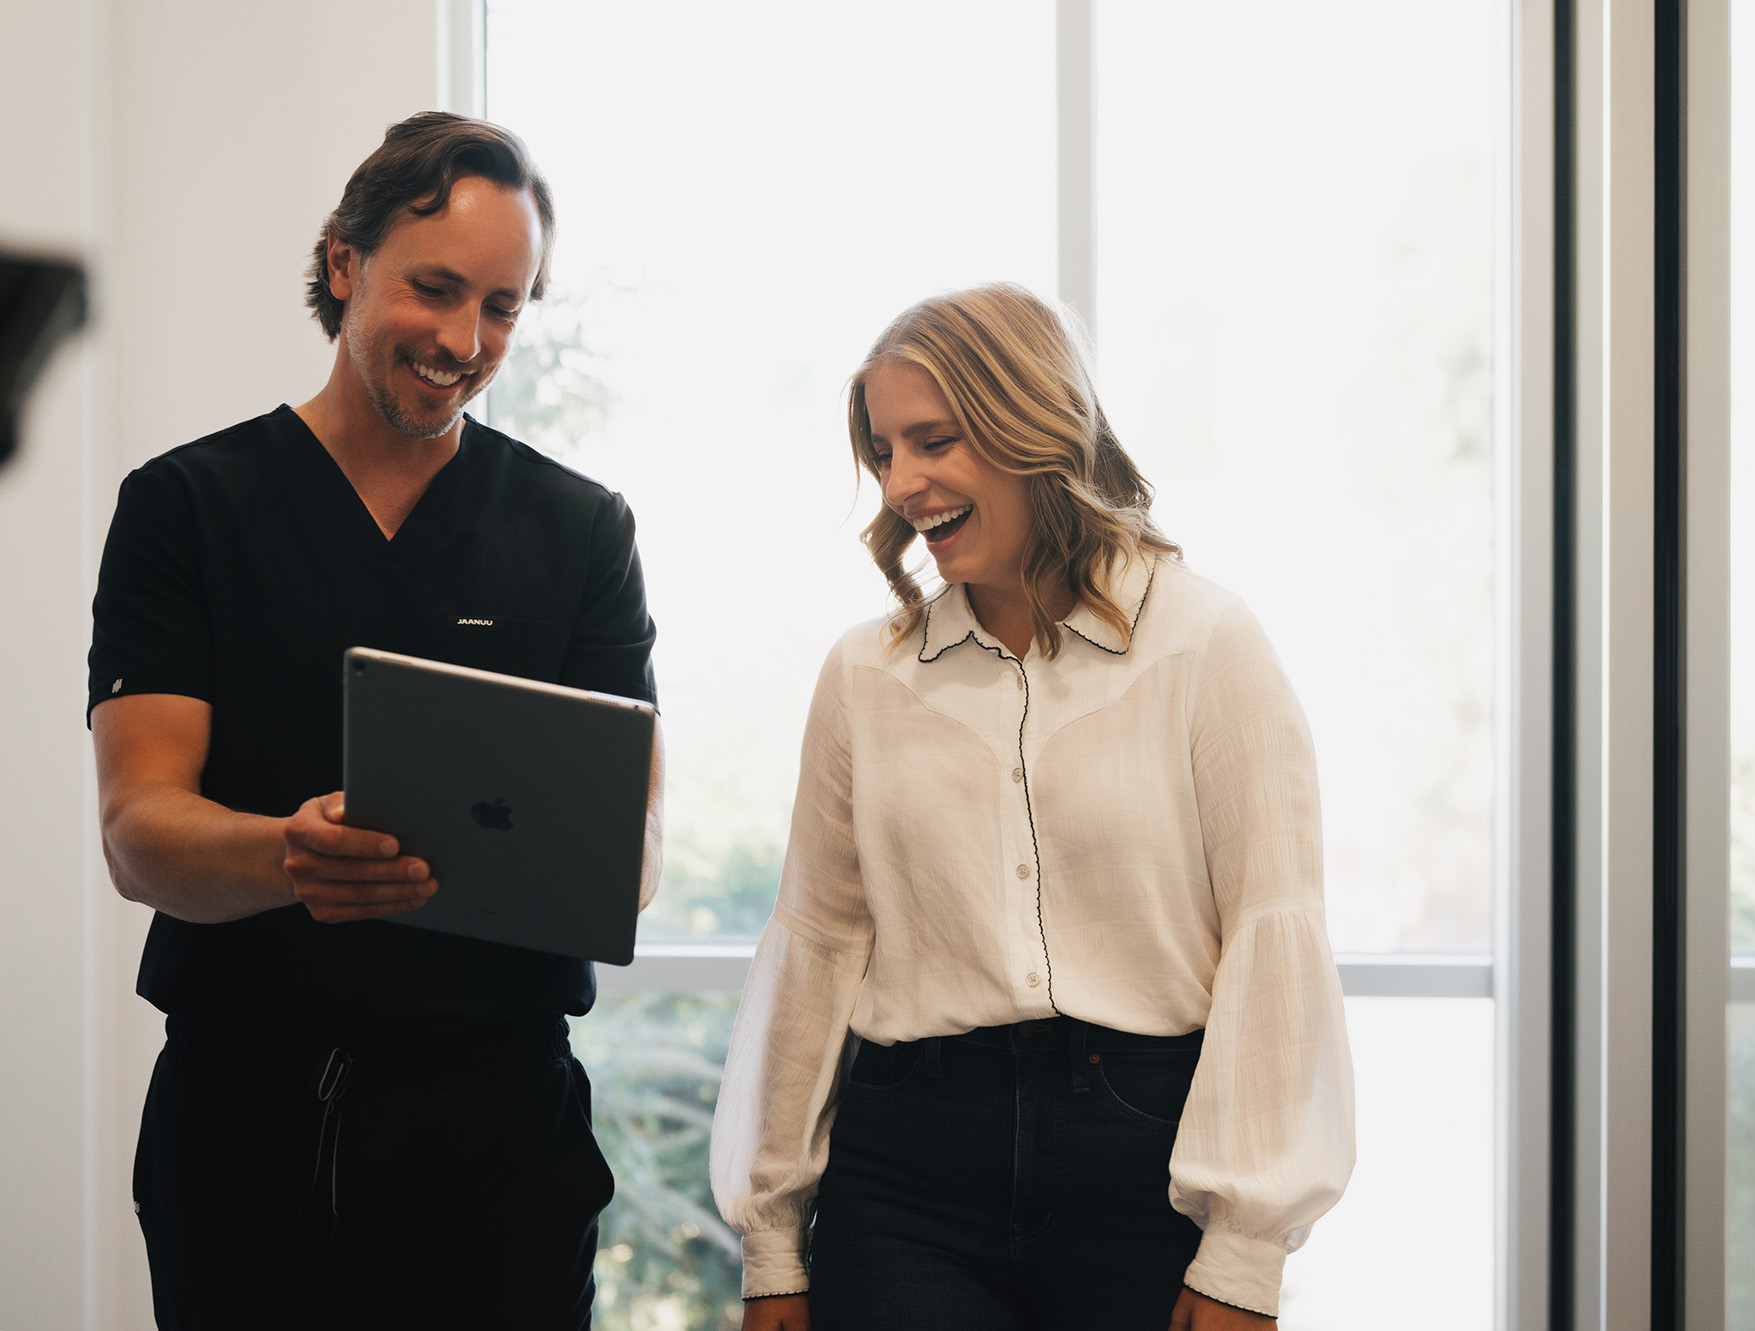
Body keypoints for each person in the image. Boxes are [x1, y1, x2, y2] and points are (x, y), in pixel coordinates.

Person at [88, 112, 660, 1329]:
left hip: (498, 1138)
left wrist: (594, 864)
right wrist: (289, 855)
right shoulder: (187, 508)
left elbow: (634, 843)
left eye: (502, 308)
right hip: (243, 1127)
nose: (463, 342)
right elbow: (139, 829)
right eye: (434, 289)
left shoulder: (581, 533)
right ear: (343, 261)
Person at [710, 284, 1355, 1330]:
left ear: (1032, 426)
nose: (901, 484)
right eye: (884, 451)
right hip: (907, 1170)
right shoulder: (864, 675)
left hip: (1146, 1166)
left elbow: (1271, 939)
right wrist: (773, 1243)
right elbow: (818, 947)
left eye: (934, 441)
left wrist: (1244, 1250)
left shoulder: (1207, 646)